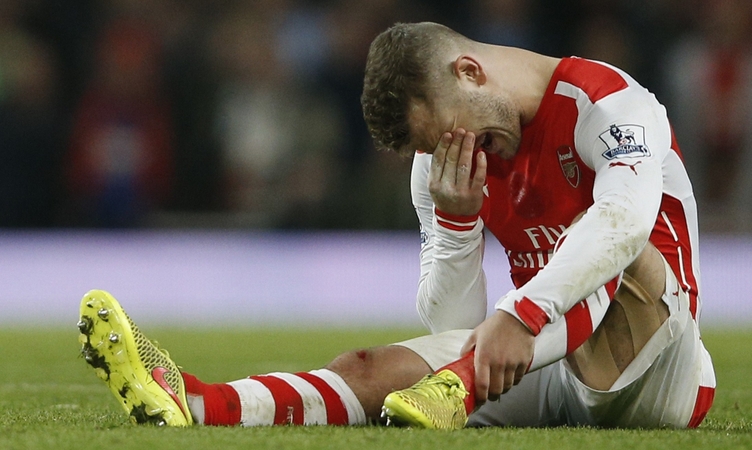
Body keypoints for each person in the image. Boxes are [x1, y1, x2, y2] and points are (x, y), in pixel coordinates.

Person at [78, 21, 715, 430]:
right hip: (548, 360)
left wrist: (521, 315)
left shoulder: (608, 103)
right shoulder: (439, 160)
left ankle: (464, 387)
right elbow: (456, 327)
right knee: (366, 367)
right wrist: (459, 222)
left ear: (469, 71)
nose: (460, 149)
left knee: (610, 243)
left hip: (658, 368)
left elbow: (626, 223)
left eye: (450, 129)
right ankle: (193, 402)